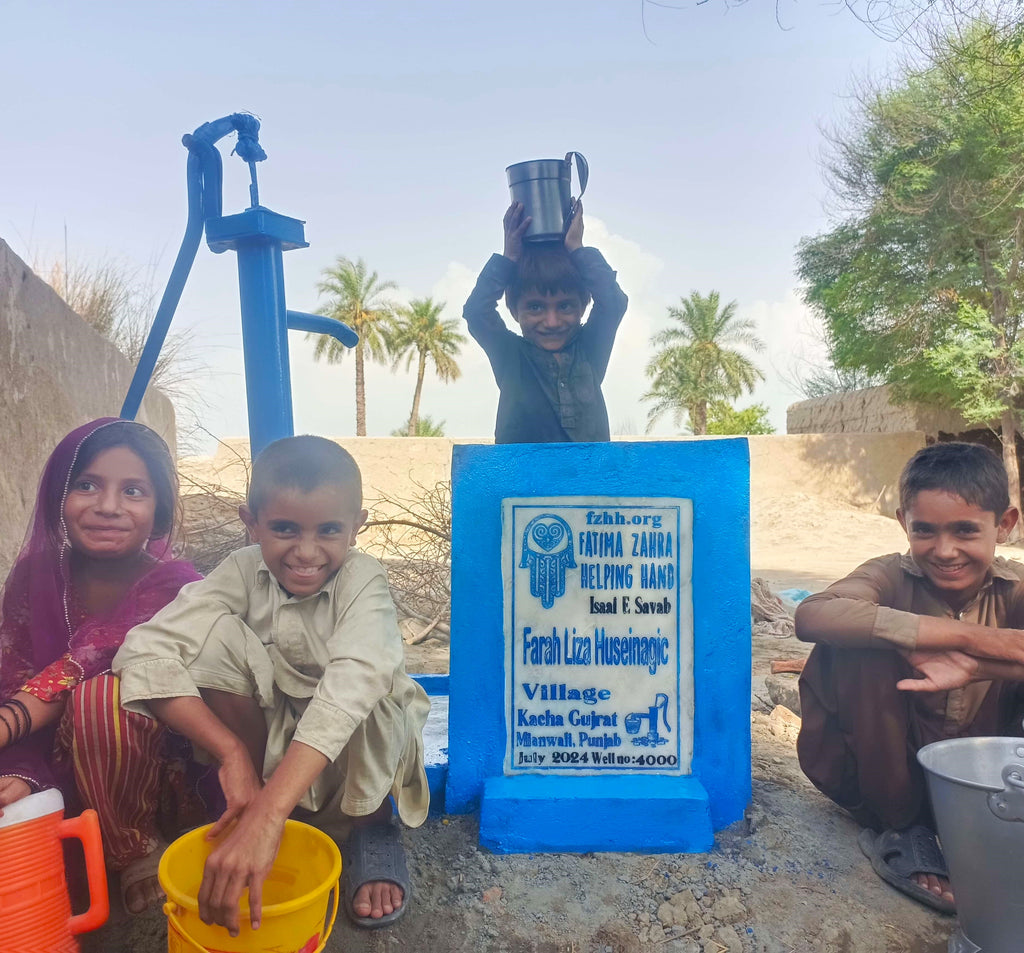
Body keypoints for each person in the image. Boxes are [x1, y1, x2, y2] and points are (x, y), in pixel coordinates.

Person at [113, 435, 430, 935]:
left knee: (373, 686)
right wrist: (231, 754)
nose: (306, 552)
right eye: (284, 529)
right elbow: (144, 650)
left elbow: (355, 680)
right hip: (273, 748)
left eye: (329, 530)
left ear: (357, 527)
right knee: (210, 638)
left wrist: (266, 817)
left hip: (354, 751)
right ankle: (260, 804)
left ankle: (372, 828)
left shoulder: (362, 577)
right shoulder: (241, 571)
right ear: (251, 522)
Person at [796, 441, 1024, 916]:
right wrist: (967, 637)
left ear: (1004, 525)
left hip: (986, 783)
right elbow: (813, 614)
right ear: (904, 523)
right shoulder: (888, 575)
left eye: (965, 530)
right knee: (862, 640)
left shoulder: (1014, 589)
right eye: (925, 531)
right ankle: (902, 827)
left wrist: (980, 665)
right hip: (875, 778)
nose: (944, 551)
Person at [0, 417, 204, 915]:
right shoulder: (35, 577)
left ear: (157, 514)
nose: (108, 506)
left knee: (101, 696)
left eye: (133, 491)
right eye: (87, 484)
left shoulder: (177, 585)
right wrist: (22, 766)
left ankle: (136, 850)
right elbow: (14, 676)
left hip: (159, 770)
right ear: (58, 498)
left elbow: (82, 663)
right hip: (59, 749)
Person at [463, 199, 628, 444]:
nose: (552, 322)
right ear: (514, 310)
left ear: (583, 306)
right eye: (536, 307)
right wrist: (509, 257)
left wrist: (577, 249)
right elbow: (476, 312)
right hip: (524, 480)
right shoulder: (511, 355)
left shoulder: (590, 349)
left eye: (565, 306)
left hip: (586, 479)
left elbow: (613, 303)